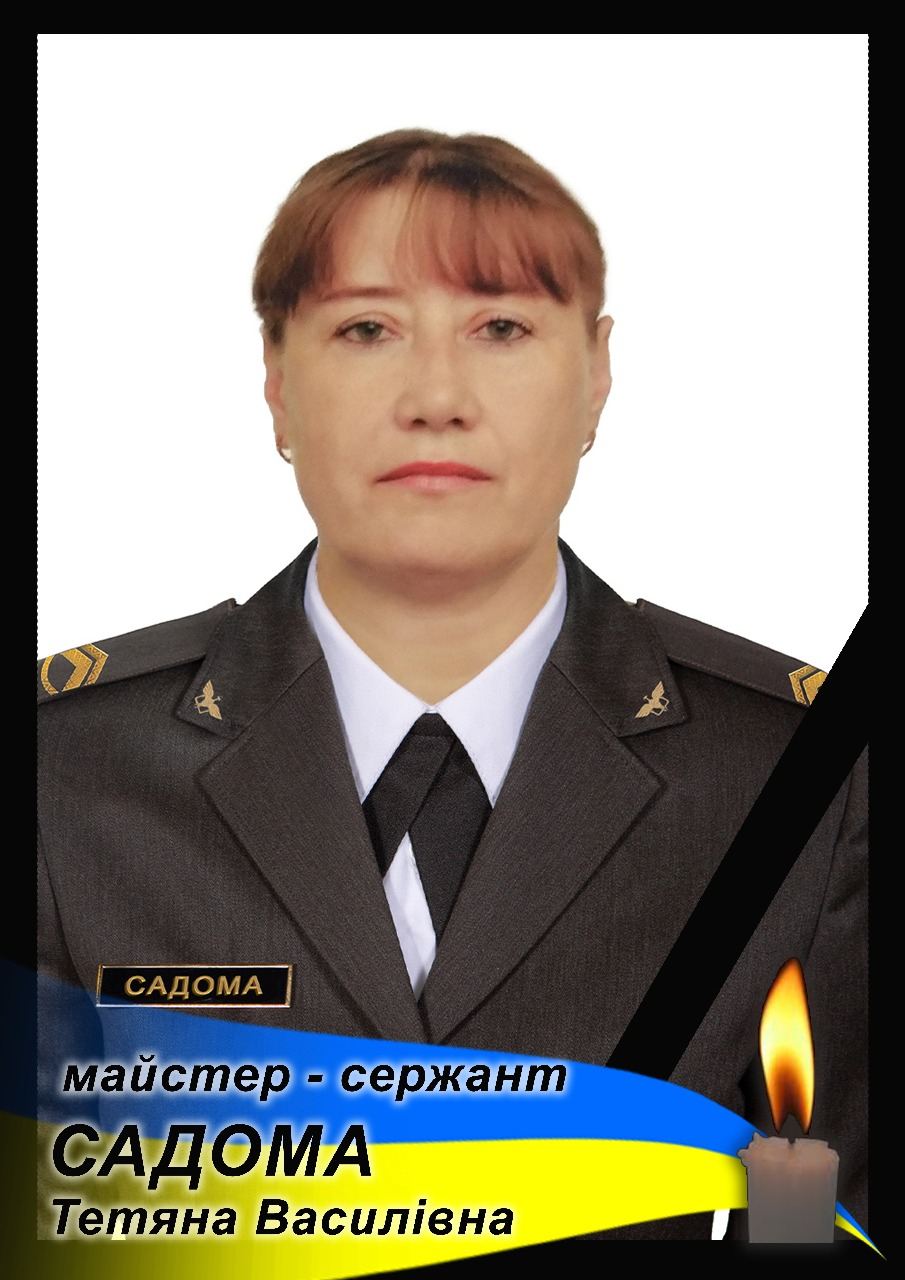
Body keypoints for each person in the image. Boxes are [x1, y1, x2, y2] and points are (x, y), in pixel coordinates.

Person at [37, 129, 867, 1243]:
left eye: (501, 327)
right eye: (366, 329)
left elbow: (837, 1219)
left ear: (596, 376)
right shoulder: (65, 769)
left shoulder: (795, 775)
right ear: (276, 381)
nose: (435, 396)